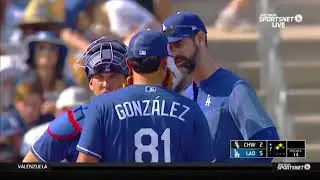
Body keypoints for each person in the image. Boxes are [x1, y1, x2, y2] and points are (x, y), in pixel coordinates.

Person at [76, 30, 215, 163]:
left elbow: (85, 167)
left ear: (128, 63)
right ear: (164, 63)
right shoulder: (190, 109)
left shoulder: (102, 105)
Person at [162, 11, 279, 162]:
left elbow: (271, 146)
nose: (174, 53)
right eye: (170, 48)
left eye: (179, 44)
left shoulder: (235, 89)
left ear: (200, 39)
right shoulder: (185, 95)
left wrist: (227, 158)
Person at [22, 38, 129, 162]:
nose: (105, 83)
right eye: (99, 77)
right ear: (90, 83)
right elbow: (29, 165)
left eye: (113, 76)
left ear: (126, 80)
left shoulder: (148, 113)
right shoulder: (72, 122)